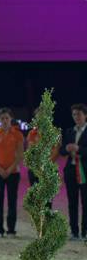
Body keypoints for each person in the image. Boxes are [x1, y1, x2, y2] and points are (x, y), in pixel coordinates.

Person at [0, 107, 24, 238]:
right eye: (2, 118)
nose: (4, 121)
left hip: (13, 172)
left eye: (7, 118)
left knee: (12, 201)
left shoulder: (18, 135)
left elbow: (20, 155)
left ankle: (11, 230)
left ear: (11, 119)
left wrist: (9, 169)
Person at [60, 103, 87, 240]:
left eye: (79, 114)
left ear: (85, 115)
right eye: (74, 114)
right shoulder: (69, 131)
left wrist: (79, 149)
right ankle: (74, 232)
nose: (76, 117)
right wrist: (68, 148)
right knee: (72, 202)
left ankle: (85, 232)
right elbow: (62, 151)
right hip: (70, 171)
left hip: (85, 172)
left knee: (85, 202)